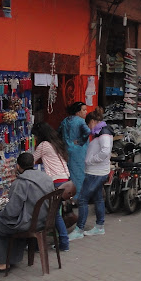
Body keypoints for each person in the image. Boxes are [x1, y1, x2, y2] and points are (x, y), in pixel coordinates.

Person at [0, 152, 55, 272]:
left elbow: (11, 213)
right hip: (43, 221)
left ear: (18, 166)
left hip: (26, 224)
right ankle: (5, 259)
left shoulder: (20, 183)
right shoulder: (46, 178)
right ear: (33, 163)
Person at [69, 108, 113, 240]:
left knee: (82, 199)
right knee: (98, 198)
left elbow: (105, 152)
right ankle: (99, 227)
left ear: (93, 121)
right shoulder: (101, 132)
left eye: (89, 124)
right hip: (97, 171)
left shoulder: (103, 133)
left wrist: (92, 160)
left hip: (96, 172)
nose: (89, 127)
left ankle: (79, 229)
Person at [31, 122, 72, 252]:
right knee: (54, 212)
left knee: (51, 214)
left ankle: (61, 243)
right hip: (65, 180)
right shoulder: (57, 143)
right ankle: (60, 242)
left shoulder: (44, 145)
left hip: (56, 182)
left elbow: (31, 159)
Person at [59, 101, 90, 205]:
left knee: (69, 174)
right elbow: (87, 132)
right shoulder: (80, 121)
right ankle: (77, 198)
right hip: (78, 152)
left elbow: (58, 132)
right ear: (78, 112)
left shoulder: (65, 120)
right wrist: (80, 141)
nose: (86, 112)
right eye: (84, 110)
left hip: (66, 150)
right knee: (79, 175)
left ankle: (68, 197)